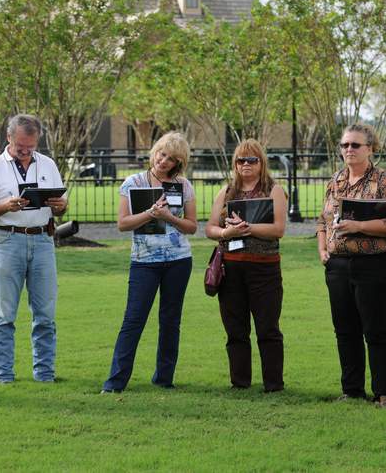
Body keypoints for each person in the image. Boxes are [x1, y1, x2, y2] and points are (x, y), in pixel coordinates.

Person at [316, 123, 386, 407]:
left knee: (378, 331)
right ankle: (352, 390)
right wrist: (323, 249)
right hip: (338, 267)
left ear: (370, 148)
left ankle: (385, 393)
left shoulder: (385, 180)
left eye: (355, 145)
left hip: (376, 265)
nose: (349, 149)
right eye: (344, 145)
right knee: (345, 331)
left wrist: (359, 226)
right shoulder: (336, 180)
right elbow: (322, 220)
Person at [0, 114, 68, 384]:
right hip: (8, 240)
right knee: (5, 313)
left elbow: (61, 206)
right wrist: (5, 206)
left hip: (43, 240)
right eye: (20, 147)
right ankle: (4, 374)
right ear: (9, 137)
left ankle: (45, 373)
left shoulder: (47, 164)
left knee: (45, 313)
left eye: (31, 147)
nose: (25, 152)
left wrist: (61, 206)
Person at [102, 132, 197, 393]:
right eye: (161, 154)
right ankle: (115, 382)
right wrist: (150, 213)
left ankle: (164, 378)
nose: (163, 161)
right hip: (144, 261)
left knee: (170, 321)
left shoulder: (183, 185)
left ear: (179, 162)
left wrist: (168, 217)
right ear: (154, 152)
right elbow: (123, 224)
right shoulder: (133, 182)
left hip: (178, 261)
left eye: (171, 159)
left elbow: (191, 227)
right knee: (133, 319)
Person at [205, 139, 287, 392]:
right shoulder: (227, 191)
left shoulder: (274, 190)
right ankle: (240, 382)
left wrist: (248, 228)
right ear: (235, 164)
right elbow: (210, 228)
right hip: (231, 268)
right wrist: (226, 233)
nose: (246, 164)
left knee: (267, 328)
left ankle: (273, 384)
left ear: (262, 163)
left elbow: (278, 229)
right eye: (241, 160)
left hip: (264, 268)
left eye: (252, 160)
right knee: (235, 329)